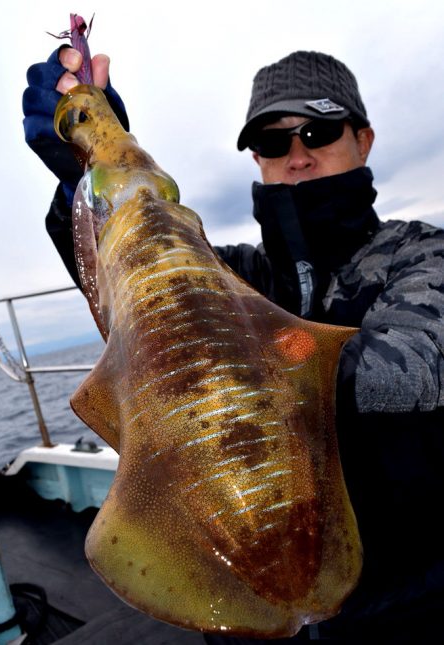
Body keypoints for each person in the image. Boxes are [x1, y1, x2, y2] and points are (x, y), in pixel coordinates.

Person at [23, 48, 444, 643]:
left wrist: (257, 357)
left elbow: (419, 360)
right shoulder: (239, 273)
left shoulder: (422, 255)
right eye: (274, 143)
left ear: (364, 139)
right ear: (256, 157)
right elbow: (139, 290)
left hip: (406, 607)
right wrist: (87, 187)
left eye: (318, 131)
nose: (297, 155)